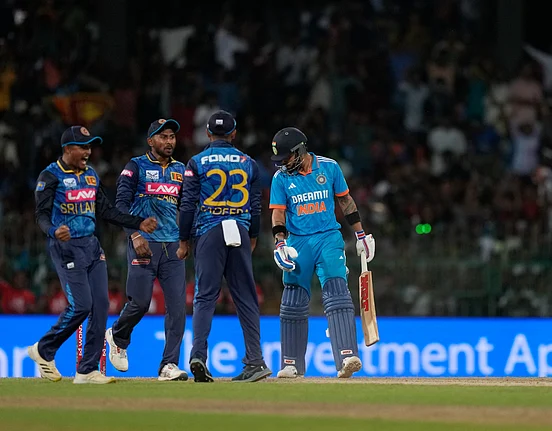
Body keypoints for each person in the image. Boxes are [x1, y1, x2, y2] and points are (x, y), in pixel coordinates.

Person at [27, 126, 157, 384]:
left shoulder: (91, 176)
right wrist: (53, 231)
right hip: (66, 247)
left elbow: (107, 212)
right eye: (82, 147)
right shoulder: (50, 176)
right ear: (67, 150)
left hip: (92, 247)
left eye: (89, 146)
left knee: (100, 306)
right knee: (81, 305)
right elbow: (40, 214)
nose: (88, 151)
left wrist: (137, 222)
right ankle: (43, 349)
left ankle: (87, 370)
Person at [270, 127, 375, 379]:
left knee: (337, 292)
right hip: (298, 241)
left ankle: (347, 356)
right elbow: (278, 212)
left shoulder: (328, 167)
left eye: (286, 157)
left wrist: (360, 234)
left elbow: (346, 201)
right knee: (293, 300)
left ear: (300, 150)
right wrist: (280, 242)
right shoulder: (281, 178)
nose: (283, 163)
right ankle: (291, 362)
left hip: (328, 236)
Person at [177, 110, 271, 383]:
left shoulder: (196, 162)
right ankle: (255, 361)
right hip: (239, 229)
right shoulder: (248, 163)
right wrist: (253, 235)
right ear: (233, 134)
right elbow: (255, 205)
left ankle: (198, 356)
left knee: (205, 296)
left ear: (207, 133)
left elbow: (187, 205)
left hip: (209, 230)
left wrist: (184, 240)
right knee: (246, 298)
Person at [106, 118, 188, 382]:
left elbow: (187, 208)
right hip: (144, 244)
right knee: (140, 303)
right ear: (150, 141)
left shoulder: (181, 170)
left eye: (172, 137)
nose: (169, 141)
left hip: (172, 246)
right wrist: (135, 234)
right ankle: (117, 335)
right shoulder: (136, 166)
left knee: (177, 308)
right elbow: (120, 205)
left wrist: (185, 240)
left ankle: (168, 365)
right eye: (163, 137)